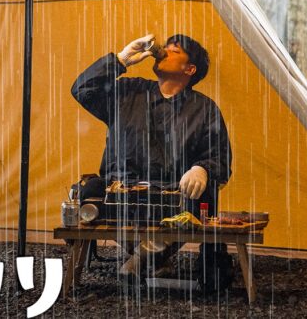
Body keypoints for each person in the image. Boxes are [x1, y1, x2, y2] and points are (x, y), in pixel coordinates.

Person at [71, 33, 233, 291]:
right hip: (123, 192)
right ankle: (150, 257)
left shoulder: (204, 108)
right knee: (90, 191)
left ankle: (142, 259)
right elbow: (81, 90)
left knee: (203, 195)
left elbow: (219, 158)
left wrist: (201, 168)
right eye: (166, 46)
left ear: (190, 69)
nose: (165, 50)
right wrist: (121, 60)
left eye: (175, 50)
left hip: (173, 197)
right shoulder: (129, 91)